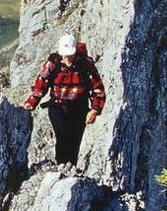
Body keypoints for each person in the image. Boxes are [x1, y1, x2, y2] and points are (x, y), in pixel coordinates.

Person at [22, 33, 106, 165]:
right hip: (57, 107)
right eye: (64, 54)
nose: (67, 57)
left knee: (75, 141)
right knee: (63, 136)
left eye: (70, 54)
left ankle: (70, 168)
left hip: (79, 108)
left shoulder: (86, 65)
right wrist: (31, 102)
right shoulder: (53, 64)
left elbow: (98, 89)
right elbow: (41, 84)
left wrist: (94, 110)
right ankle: (61, 166)